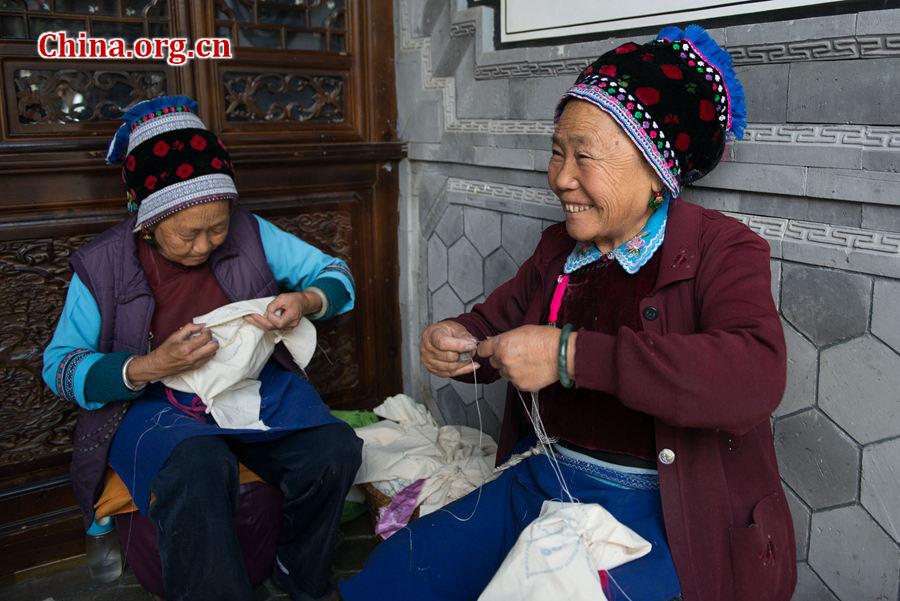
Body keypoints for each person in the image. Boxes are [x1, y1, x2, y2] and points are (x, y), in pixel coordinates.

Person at [339, 25, 794, 601]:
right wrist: (456, 340)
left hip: (668, 508)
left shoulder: (722, 250)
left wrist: (569, 355)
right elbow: (494, 326)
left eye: (584, 157)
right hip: (545, 478)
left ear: (656, 170)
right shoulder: (558, 251)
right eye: (557, 152)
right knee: (396, 575)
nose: (560, 178)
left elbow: (753, 377)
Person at [43, 96, 360, 601]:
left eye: (217, 227)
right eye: (188, 233)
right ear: (147, 221)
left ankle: (299, 572)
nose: (206, 245)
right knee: (198, 463)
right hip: (150, 404)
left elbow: (335, 273)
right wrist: (149, 365)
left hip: (247, 387)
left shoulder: (250, 232)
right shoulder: (102, 265)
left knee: (333, 450)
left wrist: (306, 300)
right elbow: (60, 367)